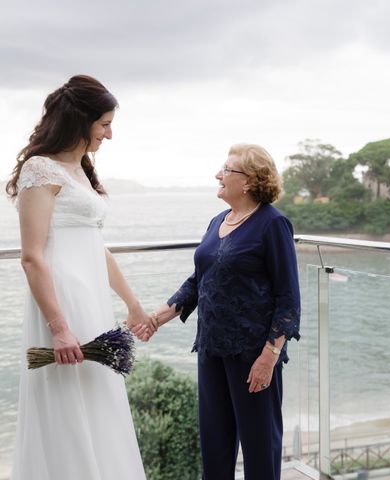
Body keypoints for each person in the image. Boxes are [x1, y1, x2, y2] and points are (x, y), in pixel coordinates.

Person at [6, 75, 147, 479]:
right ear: (80, 120)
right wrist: (59, 327)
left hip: (92, 302)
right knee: (68, 404)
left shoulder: (81, 169)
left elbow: (94, 248)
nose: (110, 133)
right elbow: (32, 258)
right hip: (63, 302)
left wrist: (132, 303)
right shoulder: (40, 169)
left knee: (99, 396)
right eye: (104, 123)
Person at [141, 143, 301, 480]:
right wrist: (156, 318)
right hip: (211, 350)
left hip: (253, 355)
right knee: (215, 446)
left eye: (226, 169)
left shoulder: (273, 224)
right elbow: (198, 282)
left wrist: (269, 356)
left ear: (249, 181)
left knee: (260, 451)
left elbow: (288, 298)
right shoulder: (218, 221)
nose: (218, 174)